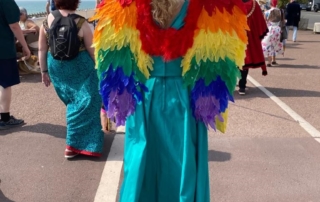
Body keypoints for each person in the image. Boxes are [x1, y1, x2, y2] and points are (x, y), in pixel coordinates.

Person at [92, 0, 249, 201]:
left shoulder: (123, 4)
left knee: (141, 162)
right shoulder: (206, 4)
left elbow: (110, 56)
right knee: (183, 161)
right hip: (183, 98)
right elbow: (221, 56)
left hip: (144, 97)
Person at [38, 0, 104, 158]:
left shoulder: (46, 22)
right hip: (80, 66)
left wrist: (44, 71)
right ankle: (75, 145)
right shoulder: (81, 22)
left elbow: (42, 49)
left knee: (72, 101)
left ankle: (79, 141)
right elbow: (92, 50)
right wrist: (101, 70)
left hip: (57, 66)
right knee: (89, 99)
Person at [0, 0, 30, 130]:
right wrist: (25, 46)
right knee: (5, 83)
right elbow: (15, 26)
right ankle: (5, 119)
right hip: (3, 50)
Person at [239, 0, 269, 95]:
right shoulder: (254, 4)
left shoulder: (233, 2)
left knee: (233, 60)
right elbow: (260, 21)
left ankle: (230, 85)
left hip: (235, 35)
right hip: (249, 36)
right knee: (245, 60)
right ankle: (242, 86)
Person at [262, 0, 283, 67]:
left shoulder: (267, 12)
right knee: (275, 44)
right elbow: (283, 21)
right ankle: (274, 60)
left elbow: (264, 22)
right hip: (277, 29)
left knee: (268, 45)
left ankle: (269, 62)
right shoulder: (280, 11)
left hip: (270, 29)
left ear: (270, 4)